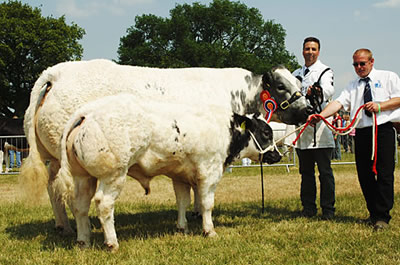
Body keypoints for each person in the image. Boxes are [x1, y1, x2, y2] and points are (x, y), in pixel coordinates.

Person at [310, 48, 400, 230]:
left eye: (362, 63)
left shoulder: (388, 77)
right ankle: (373, 214)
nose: (359, 67)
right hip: (362, 133)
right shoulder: (353, 85)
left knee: (384, 174)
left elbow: (398, 99)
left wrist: (380, 106)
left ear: (371, 62)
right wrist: (320, 115)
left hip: (382, 130)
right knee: (364, 175)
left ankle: (382, 217)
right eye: (355, 64)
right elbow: (339, 102)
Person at [292, 37, 336, 219]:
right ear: (302, 51)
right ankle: (308, 208)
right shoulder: (295, 73)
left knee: (325, 172)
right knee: (306, 172)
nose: (310, 52)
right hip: (302, 128)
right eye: (307, 49)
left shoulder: (325, 71)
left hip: (320, 127)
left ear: (319, 51)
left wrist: (315, 90)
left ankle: (328, 209)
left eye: (313, 49)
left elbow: (328, 91)